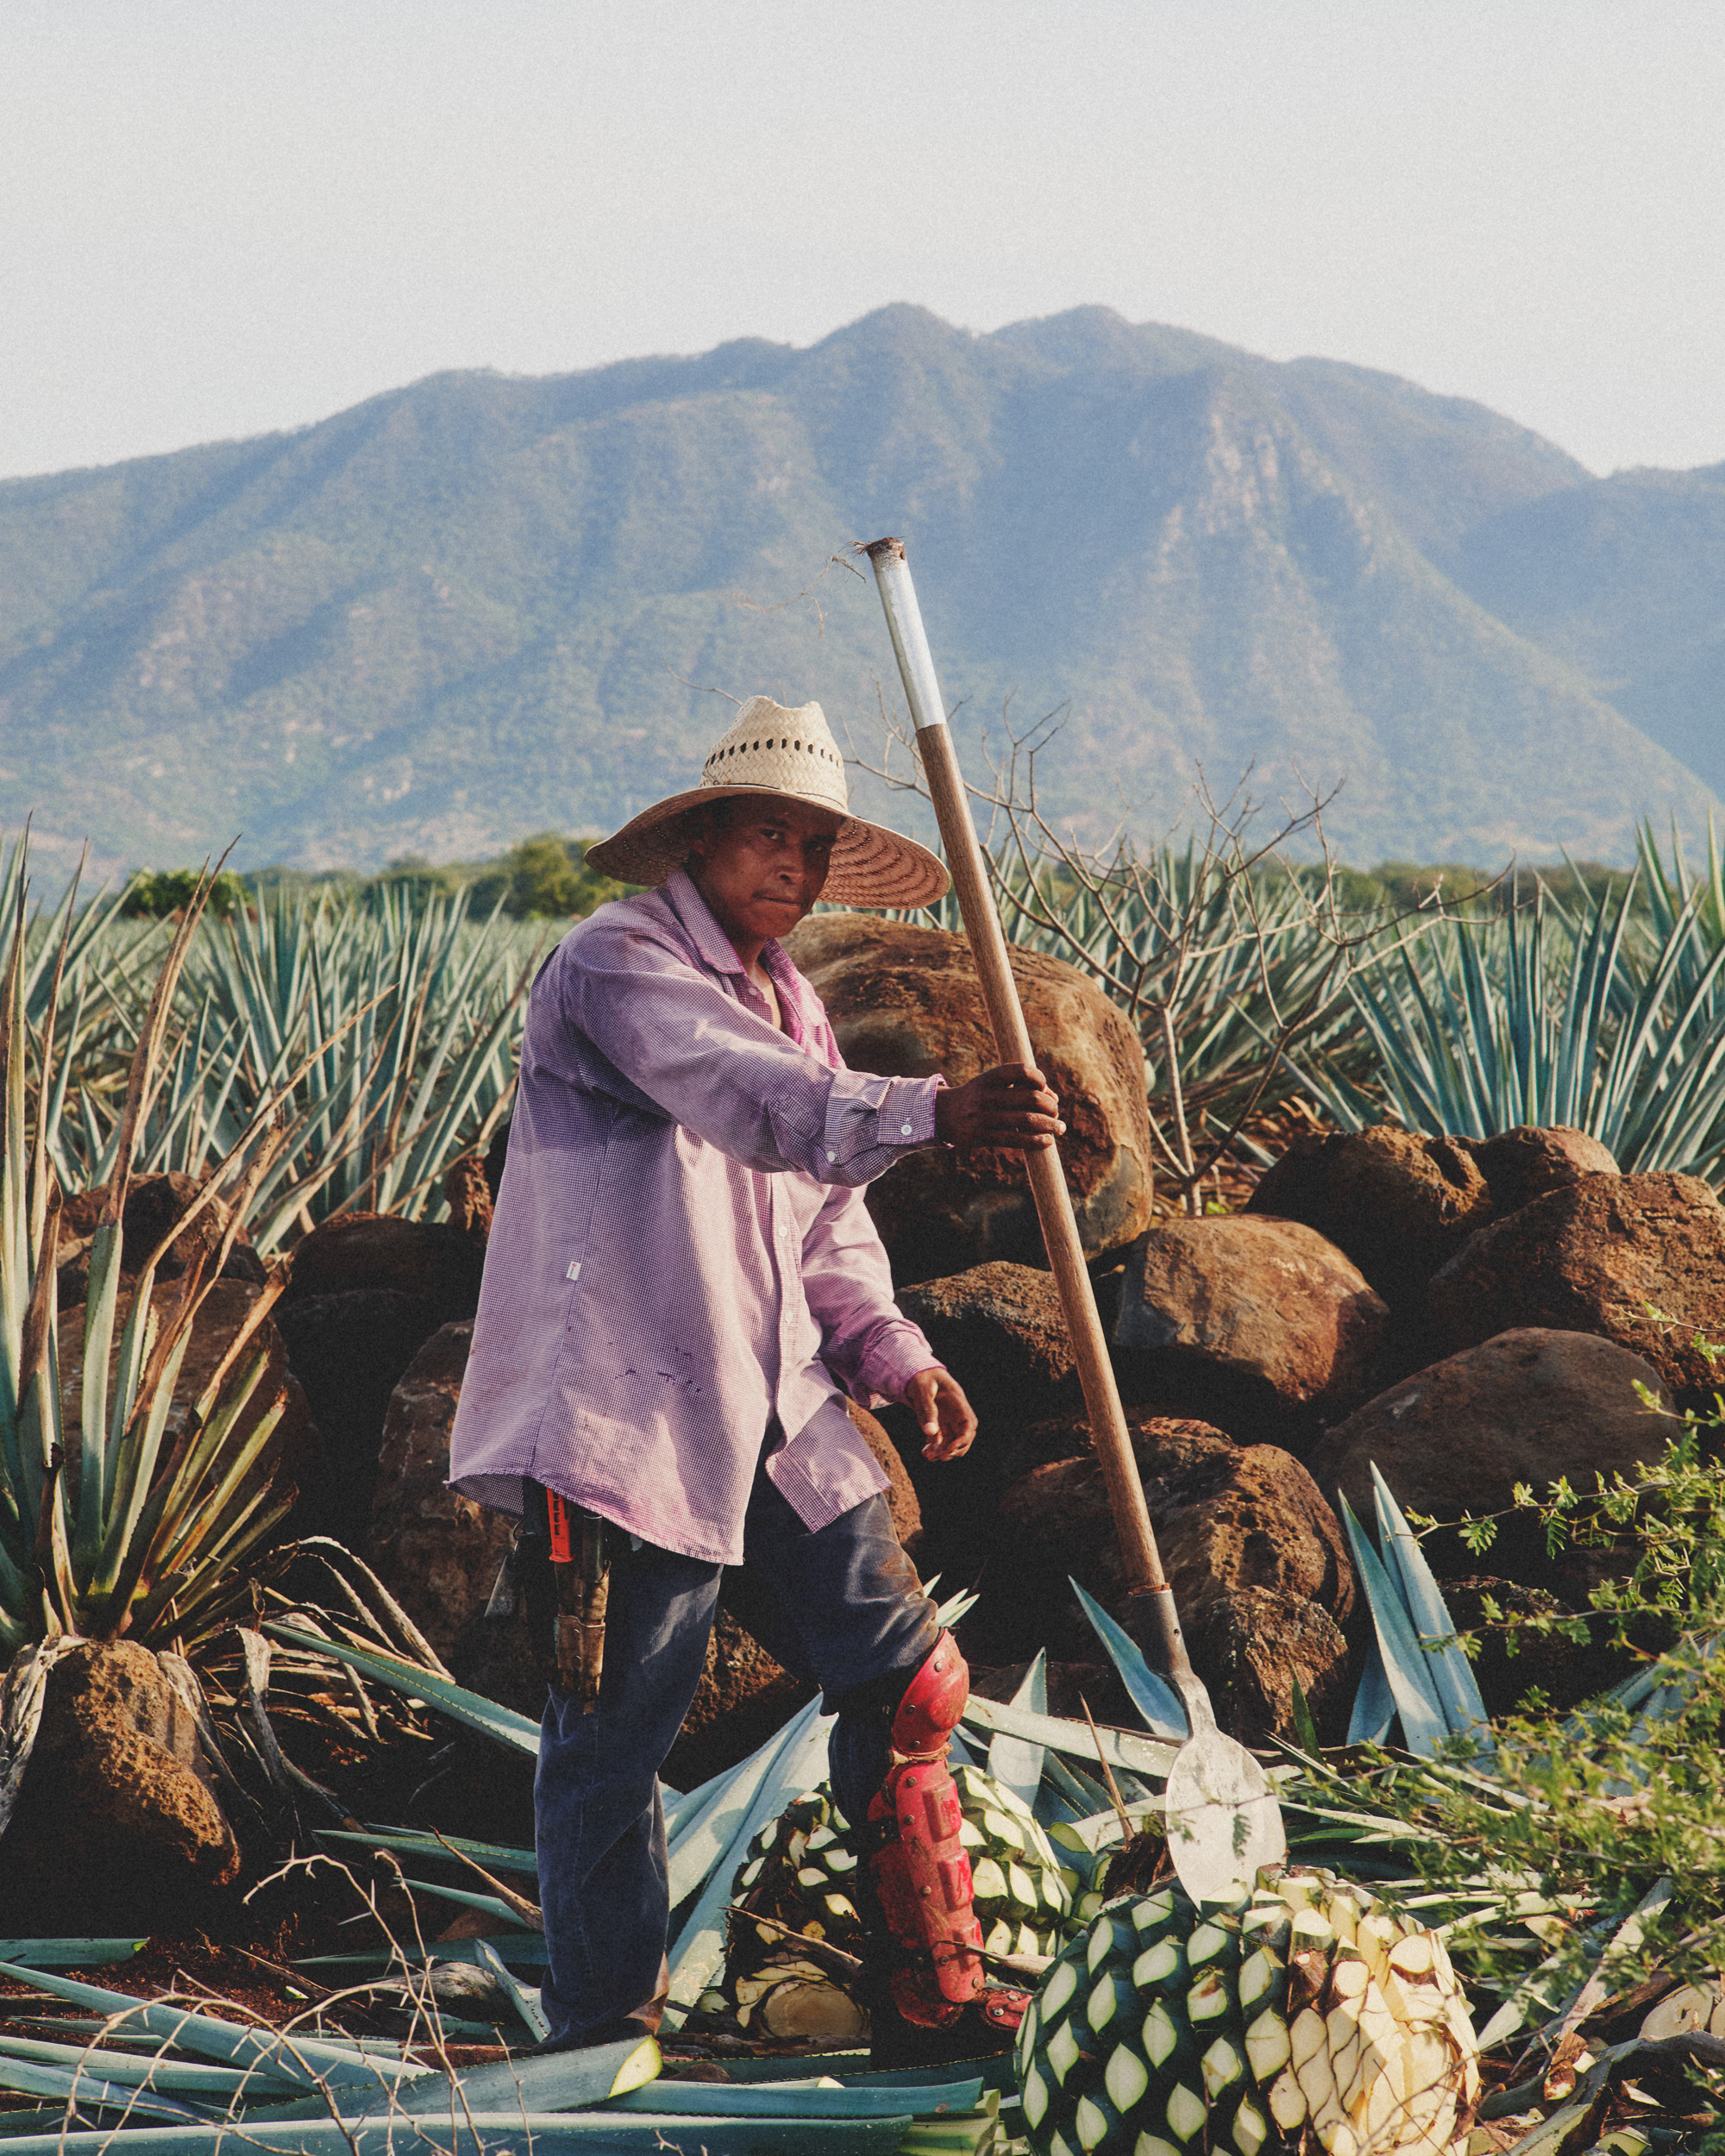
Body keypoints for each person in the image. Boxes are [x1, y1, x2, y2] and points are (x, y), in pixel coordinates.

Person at [448, 695, 1064, 2059]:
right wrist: (939, 1112)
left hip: (778, 1404)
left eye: (814, 849)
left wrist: (894, 1352)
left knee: (909, 1680)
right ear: (704, 838)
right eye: (770, 840)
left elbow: (824, 1216)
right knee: (616, 1733)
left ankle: (930, 1996)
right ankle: (600, 2031)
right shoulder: (618, 967)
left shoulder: (791, 998)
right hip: (633, 1410)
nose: (794, 869)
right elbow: (745, 1099)